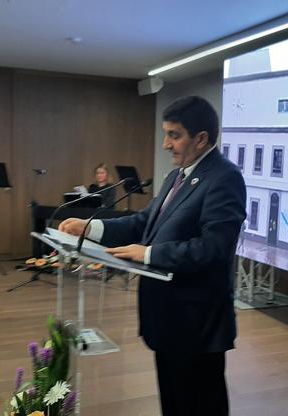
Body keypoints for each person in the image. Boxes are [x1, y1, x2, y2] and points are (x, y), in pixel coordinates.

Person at [59, 96, 246, 416]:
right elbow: (145, 222)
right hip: (168, 318)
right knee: (174, 403)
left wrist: (149, 253)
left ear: (201, 139)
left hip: (195, 323)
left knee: (200, 404)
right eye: (166, 134)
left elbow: (213, 249)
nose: (165, 144)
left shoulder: (224, 177)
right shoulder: (177, 176)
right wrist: (90, 228)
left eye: (174, 135)